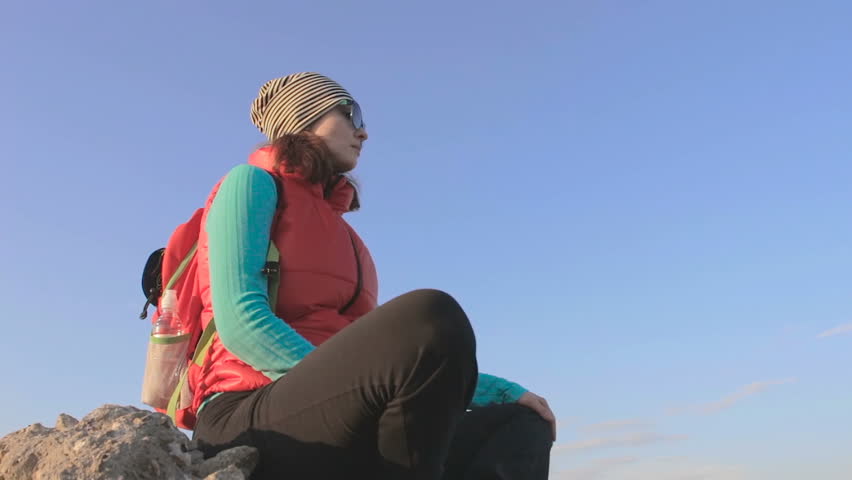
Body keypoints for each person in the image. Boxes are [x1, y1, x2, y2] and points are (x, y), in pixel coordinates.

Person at [189, 72, 556, 479]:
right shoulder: (250, 183)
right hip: (246, 413)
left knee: (522, 422)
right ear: (304, 118)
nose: (363, 133)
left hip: (341, 410)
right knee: (430, 315)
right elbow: (241, 322)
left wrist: (502, 392)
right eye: (352, 114)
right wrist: (349, 385)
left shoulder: (344, 235)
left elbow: (403, 361)